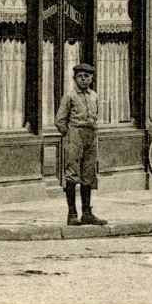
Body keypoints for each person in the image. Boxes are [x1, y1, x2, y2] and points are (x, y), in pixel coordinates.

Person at [56, 62, 106, 226]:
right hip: (75, 134)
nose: (84, 79)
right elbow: (60, 121)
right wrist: (70, 134)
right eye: (80, 76)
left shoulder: (94, 96)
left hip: (91, 134)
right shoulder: (69, 96)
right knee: (72, 173)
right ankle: (72, 214)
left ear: (91, 78)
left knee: (88, 174)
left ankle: (87, 213)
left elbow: (96, 115)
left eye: (87, 76)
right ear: (74, 78)